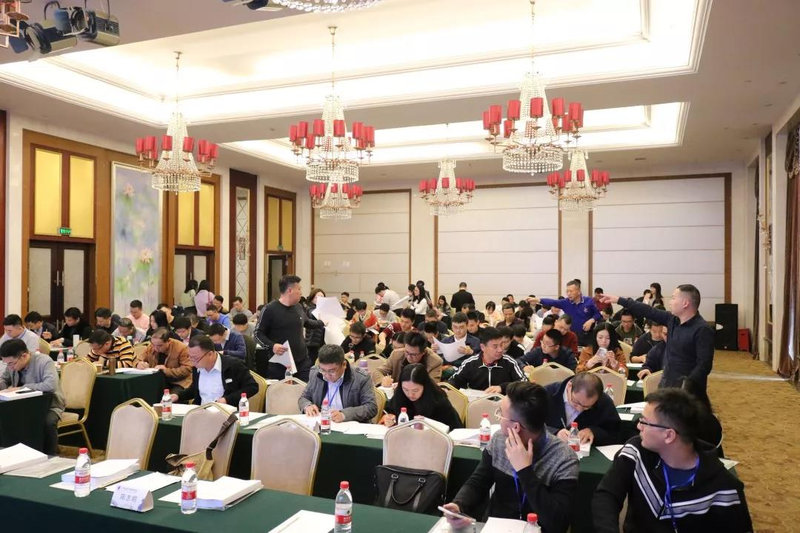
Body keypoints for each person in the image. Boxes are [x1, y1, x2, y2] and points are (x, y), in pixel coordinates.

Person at [592, 388, 752, 532]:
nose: (639, 426)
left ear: (669, 435)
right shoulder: (635, 451)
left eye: (645, 422)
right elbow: (607, 495)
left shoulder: (724, 487)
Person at [443, 382, 578, 532]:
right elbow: (478, 481)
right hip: (496, 527)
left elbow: (558, 522)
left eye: (501, 414)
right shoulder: (499, 440)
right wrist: (459, 505)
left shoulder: (564, 458)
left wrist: (525, 471)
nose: (498, 418)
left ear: (516, 427)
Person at [599, 285, 715, 404]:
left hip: (688, 395)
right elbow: (648, 311)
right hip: (666, 389)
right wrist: (620, 300)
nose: (670, 302)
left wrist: (686, 386)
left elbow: (704, 366)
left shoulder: (702, 329)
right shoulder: (673, 320)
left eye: (673, 298)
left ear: (685, 303)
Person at [0, 339, 65, 454]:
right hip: (21, 406)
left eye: (11, 363)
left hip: (49, 405)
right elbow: (5, 379)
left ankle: (51, 455)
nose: (9, 367)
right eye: (7, 364)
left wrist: (22, 388)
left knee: (47, 422)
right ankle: (13, 454)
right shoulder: (12, 364)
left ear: (24, 356)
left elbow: (50, 385)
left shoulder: (44, 361)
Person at [255, 275, 323, 382]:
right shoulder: (270, 309)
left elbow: (307, 323)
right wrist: (272, 346)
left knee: (305, 389)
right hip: (280, 363)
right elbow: (257, 334)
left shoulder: (298, 307)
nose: (301, 292)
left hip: (302, 361)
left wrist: (322, 322)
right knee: (281, 391)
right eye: (299, 289)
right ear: (290, 290)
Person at [299, 344, 378, 423]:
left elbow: (371, 407)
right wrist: (307, 406)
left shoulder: (361, 378)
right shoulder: (315, 373)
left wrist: (344, 415)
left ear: (344, 364)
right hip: (322, 423)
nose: (327, 375)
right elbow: (304, 398)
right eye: (323, 370)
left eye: (331, 371)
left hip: (349, 426)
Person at [172, 335, 258, 405]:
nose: (192, 362)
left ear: (210, 354)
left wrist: (227, 399)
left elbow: (252, 387)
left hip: (226, 412)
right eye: (190, 357)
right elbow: (195, 389)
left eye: (195, 358)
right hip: (201, 411)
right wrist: (178, 396)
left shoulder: (233, 365)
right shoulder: (197, 367)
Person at [544, 373, 621, 446]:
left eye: (587, 407)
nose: (579, 409)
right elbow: (536, 426)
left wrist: (594, 432)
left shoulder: (603, 401)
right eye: (576, 402)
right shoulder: (546, 394)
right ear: (569, 386)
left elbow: (616, 433)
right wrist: (555, 432)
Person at [381, 363, 463, 429]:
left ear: (425, 386)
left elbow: (455, 429)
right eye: (405, 389)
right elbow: (388, 412)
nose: (410, 395)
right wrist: (388, 418)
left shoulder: (438, 401)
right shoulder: (400, 394)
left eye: (415, 390)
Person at [448, 327, 526, 394]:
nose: (500, 350)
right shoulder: (470, 363)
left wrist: (502, 388)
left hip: (502, 403)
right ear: (483, 347)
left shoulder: (509, 362)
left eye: (501, 345)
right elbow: (454, 381)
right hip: (476, 402)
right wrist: (446, 389)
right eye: (495, 346)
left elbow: (524, 383)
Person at [529, 280, 602, 345]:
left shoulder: (589, 301)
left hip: (588, 335)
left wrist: (591, 320)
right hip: (571, 335)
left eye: (571, 291)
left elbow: (598, 314)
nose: (568, 294)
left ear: (579, 291)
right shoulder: (566, 302)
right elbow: (553, 302)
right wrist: (538, 300)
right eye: (567, 291)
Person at [372, 331, 443, 386]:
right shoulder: (396, 354)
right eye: (406, 352)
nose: (409, 357)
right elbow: (377, 371)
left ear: (423, 352)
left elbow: (432, 386)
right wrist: (383, 380)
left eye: (413, 354)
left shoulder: (435, 362)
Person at [135, 328, 192, 393]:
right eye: (153, 344)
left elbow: (187, 369)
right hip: (157, 381)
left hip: (179, 382)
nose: (155, 348)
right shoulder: (151, 347)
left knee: (170, 397)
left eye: (159, 346)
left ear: (168, 342)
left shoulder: (181, 348)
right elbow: (137, 359)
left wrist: (166, 371)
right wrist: (138, 364)